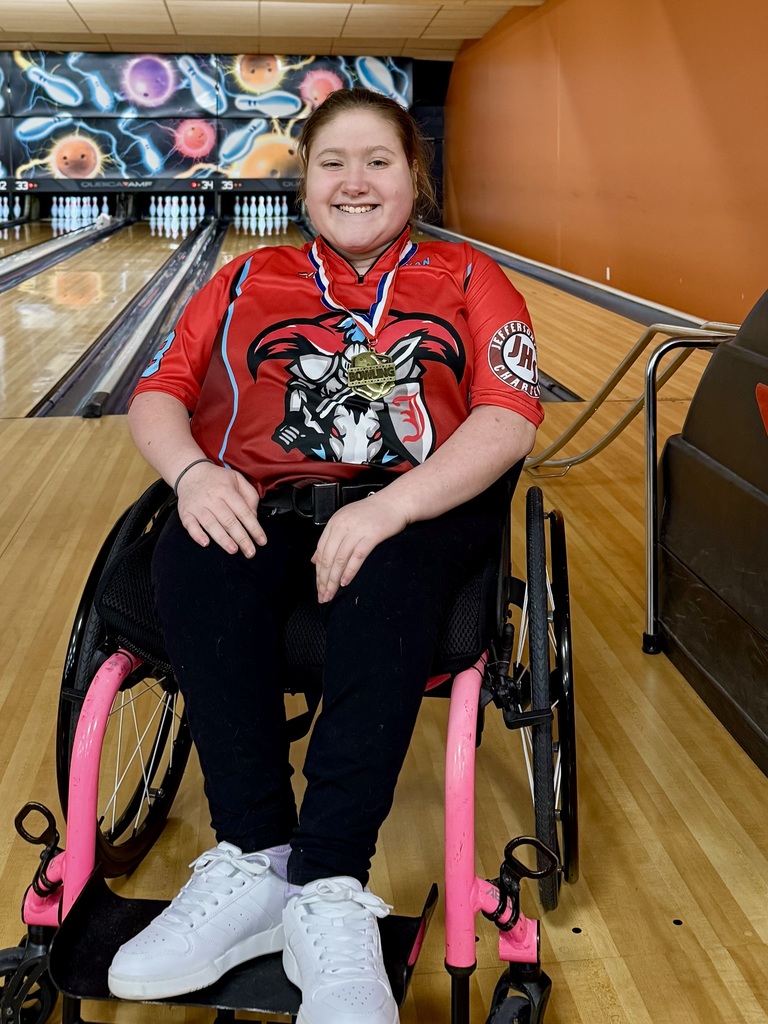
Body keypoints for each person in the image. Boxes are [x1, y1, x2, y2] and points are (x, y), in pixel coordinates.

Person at [107, 87, 543, 1024]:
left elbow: (509, 416)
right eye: (332, 162)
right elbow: (158, 393)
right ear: (302, 181)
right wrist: (189, 474)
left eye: (377, 161)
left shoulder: (468, 276)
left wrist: (391, 509)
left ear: (412, 178)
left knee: (391, 576)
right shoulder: (240, 279)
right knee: (196, 549)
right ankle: (256, 864)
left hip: (422, 506)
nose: (355, 180)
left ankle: (330, 889)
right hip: (272, 500)